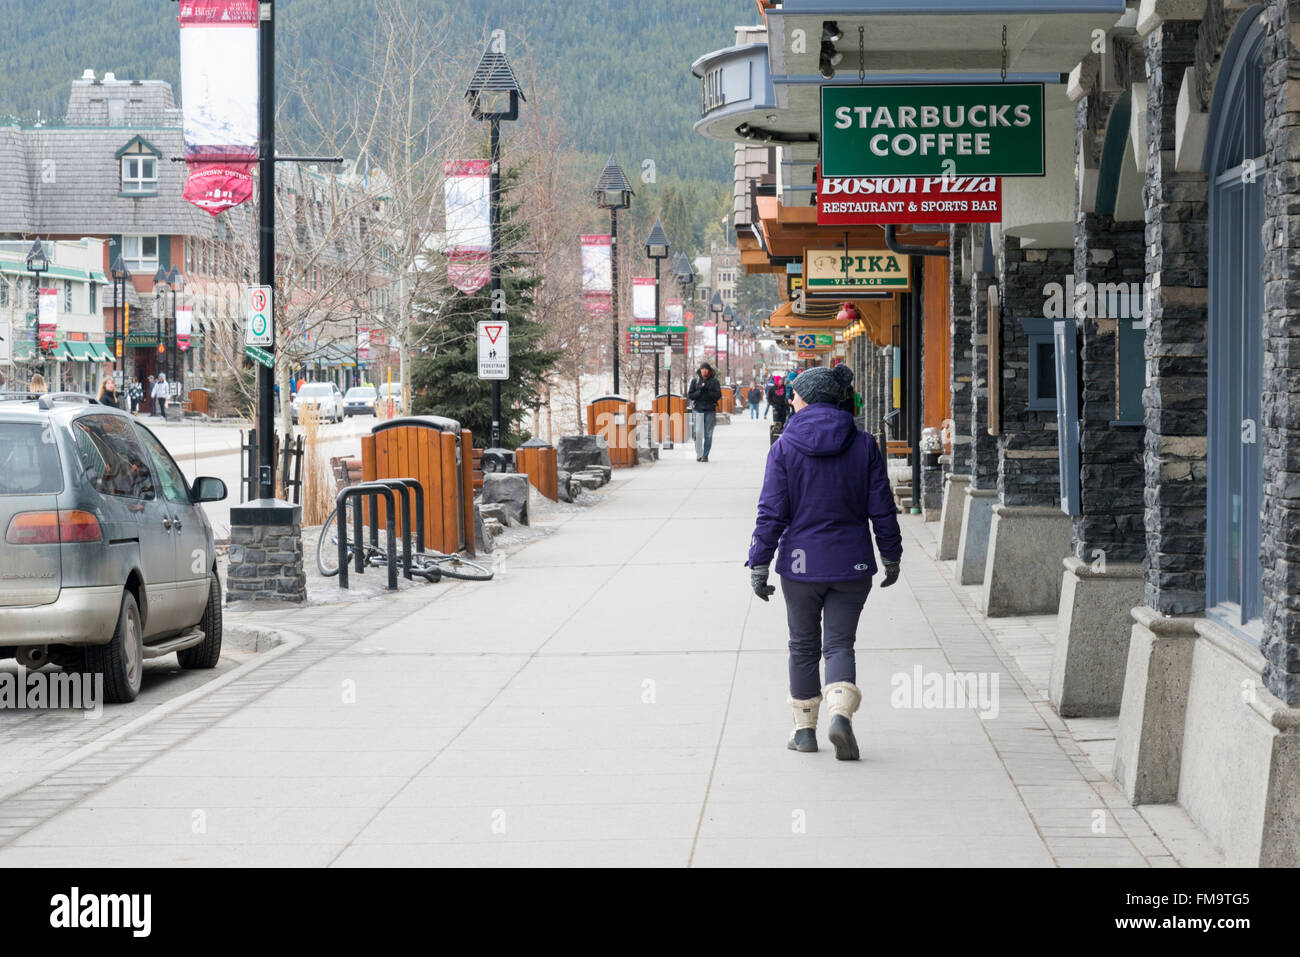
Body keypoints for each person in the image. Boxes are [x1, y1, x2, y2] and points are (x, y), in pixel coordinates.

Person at [746, 364, 903, 761]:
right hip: (852, 563)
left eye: (795, 395)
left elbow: (771, 512)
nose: (791, 401)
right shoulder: (864, 444)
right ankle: (840, 716)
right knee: (839, 644)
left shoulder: (783, 447)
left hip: (799, 566)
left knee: (802, 646)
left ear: (809, 399)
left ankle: (803, 731)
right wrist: (891, 554)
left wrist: (759, 562)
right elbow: (881, 507)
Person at [686, 362, 722, 462]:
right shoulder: (695, 380)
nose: (704, 370)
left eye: (706, 369)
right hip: (698, 409)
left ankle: (705, 455)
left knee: (708, 434)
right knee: (697, 433)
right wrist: (700, 390)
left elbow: (718, 395)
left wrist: (707, 390)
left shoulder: (714, 381)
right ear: (700, 370)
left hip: (710, 410)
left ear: (709, 370)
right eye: (702, 368)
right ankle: (699, 454)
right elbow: (690, 395)